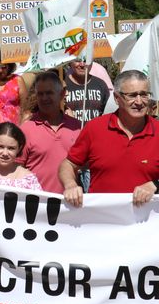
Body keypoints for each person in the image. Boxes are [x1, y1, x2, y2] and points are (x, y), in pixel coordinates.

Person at [60, 70, 159, 207]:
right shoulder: (95, 128)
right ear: (117, 98)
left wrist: (155, 185)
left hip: (146, 223)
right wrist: (70, 185)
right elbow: (68, 164)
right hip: (102, 223)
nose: (139, 101)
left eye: (144, 95)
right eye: (132, 95)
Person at [19, 71, 81, 193]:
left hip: (70, 204)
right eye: (40, 94)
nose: (44, 98)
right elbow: (17, 168)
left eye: (49, 93)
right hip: (37, 204)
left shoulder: (76, 126)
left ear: (62, 94)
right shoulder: (26, 129)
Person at [64, 59, 109, 123]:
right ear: (70, 62)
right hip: (71, 131)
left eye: (85, 60)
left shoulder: (100, 84)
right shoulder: (63, 85)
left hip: (94, 131)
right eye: (78, 60)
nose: (82, 64)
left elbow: (108, 112)